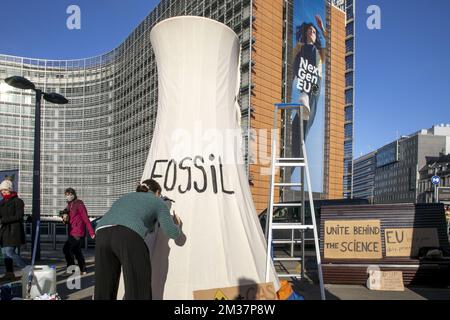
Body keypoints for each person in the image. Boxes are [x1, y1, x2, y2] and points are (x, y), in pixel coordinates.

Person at [94, 179, 181, 300]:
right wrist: (177, 224)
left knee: (104, 286)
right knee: (138, 286)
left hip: (102, 233)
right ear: (157, 192)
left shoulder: (125, 197)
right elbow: (172, 233)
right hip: (128, 235)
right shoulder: (158, 202)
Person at [62, 188, 95, 275]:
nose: (68, 196)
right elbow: (69, 219)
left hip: (77, 232)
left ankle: (71, 269)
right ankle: (83, 269)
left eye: (70, 194)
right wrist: (64, 219)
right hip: (72, 231)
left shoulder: (79, 204)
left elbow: (86, 219)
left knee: (66, 249)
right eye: (66, 195)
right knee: (76, 251)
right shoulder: (69, 205)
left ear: (74, 194)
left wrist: (91, 232)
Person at [0, 179, 26, 282]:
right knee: (5, 253)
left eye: (5, 190)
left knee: (10, 252)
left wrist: (3, 220)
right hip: (4, 231)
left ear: (10, 189)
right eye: (2, 191)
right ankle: (9, 273)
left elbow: (19, 216)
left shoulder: (18, 201)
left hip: (14, 230)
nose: (3, 192)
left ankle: (26, 269)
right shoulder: (2, 202)